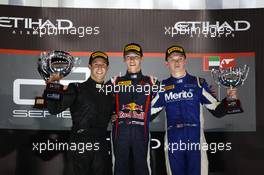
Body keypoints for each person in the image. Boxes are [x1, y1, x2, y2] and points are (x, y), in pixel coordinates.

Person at [151, 45, 237, 175]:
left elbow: (217, 111)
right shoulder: (162, 86)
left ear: (185, 60)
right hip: (173, 139)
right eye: (172, 59)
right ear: (166, 63)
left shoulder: (198, 83)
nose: (176, 62)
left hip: (195, 137)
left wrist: (230, 99)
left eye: (179, 58)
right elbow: (148, 114)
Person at [46, 51, 113, 175]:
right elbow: (54, 109)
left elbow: (116, 115)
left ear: (107, 68)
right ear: (89, 67)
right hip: (80, 141)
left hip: (102, 143)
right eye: (95, 64)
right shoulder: (76, 87)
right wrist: (52, 85)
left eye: (103, 64)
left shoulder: (111, 93)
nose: (99, 67)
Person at [111, 43, 157, 175]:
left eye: (135, 56)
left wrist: (147, 116)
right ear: (124, 59)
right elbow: (102, 103)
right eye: (128, 56)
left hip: (141, 131)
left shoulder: (152, 82)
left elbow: (164, 101)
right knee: (119, 168)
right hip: (120, 132)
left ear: (142, 58)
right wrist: (111, 113)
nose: (132, 60)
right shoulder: (115, 81)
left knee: (143, 168)